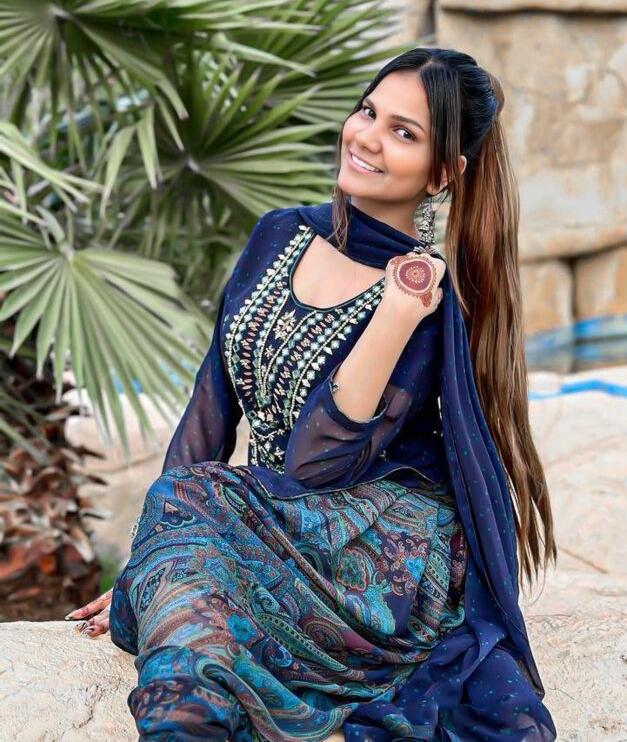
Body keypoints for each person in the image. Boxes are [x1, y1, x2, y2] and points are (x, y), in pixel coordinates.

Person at [65, 47, 557, 741]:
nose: (367, 138)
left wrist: (394, 315)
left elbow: (315, 467)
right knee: (181, 517)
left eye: (403, 132)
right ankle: (185, 722)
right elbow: (211, 405)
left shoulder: (423, 301)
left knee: (192, 504)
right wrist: (154, 549)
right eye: (368, 112)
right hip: (271, 521)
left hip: (376, 551)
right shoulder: (278, 233)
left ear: (442, 174)